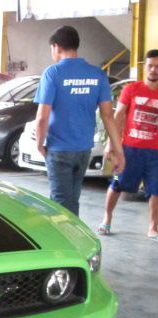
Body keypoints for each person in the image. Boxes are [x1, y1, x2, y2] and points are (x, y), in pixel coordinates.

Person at [34, 25, 124, 216]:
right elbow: (108, 116)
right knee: (72, 200)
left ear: (56, 47)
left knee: (59, 204)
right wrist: (119, 151)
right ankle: (76, 241)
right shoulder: (98, 75)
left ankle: (63, 243)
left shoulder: (52, 73)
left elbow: (42, 117)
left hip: (59, 149)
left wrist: (39, 143)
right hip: (83, 150)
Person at [98, 49, 158, 240]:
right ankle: (107, 218)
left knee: (156, 189)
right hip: (130, 150)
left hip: (155, 152)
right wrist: (111, 144)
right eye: (150, 66)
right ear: (145, 67)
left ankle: (153, 227)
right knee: (117, 185)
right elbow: (117, 116)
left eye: (157, 66)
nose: (154, 70)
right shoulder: (131, 90)